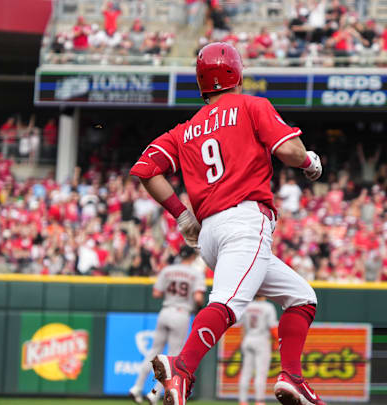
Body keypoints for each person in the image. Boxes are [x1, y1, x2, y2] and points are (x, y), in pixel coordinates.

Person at [129, 42, 324, 405]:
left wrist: (182, 215)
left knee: (302, 297)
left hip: (211, 235)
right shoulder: (252, 105)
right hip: (244, 222)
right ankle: (181, 368)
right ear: (237, 73)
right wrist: (311, 162)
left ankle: (292, 377)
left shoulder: (184, 130)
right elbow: (289, 151)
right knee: (228, 304)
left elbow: (144, 170)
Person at [129, 246, 206, 405]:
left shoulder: (168, 270)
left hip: (165, 311)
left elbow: (156, 293)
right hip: (181, 313)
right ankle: (154, 394)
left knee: (153, 353)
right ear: (192, 257)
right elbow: (198, 298)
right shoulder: (196, 273)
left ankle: (136, 387)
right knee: (173, 358)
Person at [238, 297, 278, 405]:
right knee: (261, 373)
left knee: (246, 372)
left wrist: (243, 341)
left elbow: (242, 327)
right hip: (261, 341)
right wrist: (277, 342)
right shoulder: (268, 307)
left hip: (248, 338)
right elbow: (273, 328)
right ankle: (259, 401)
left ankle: (243, 401)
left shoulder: (247, 305)